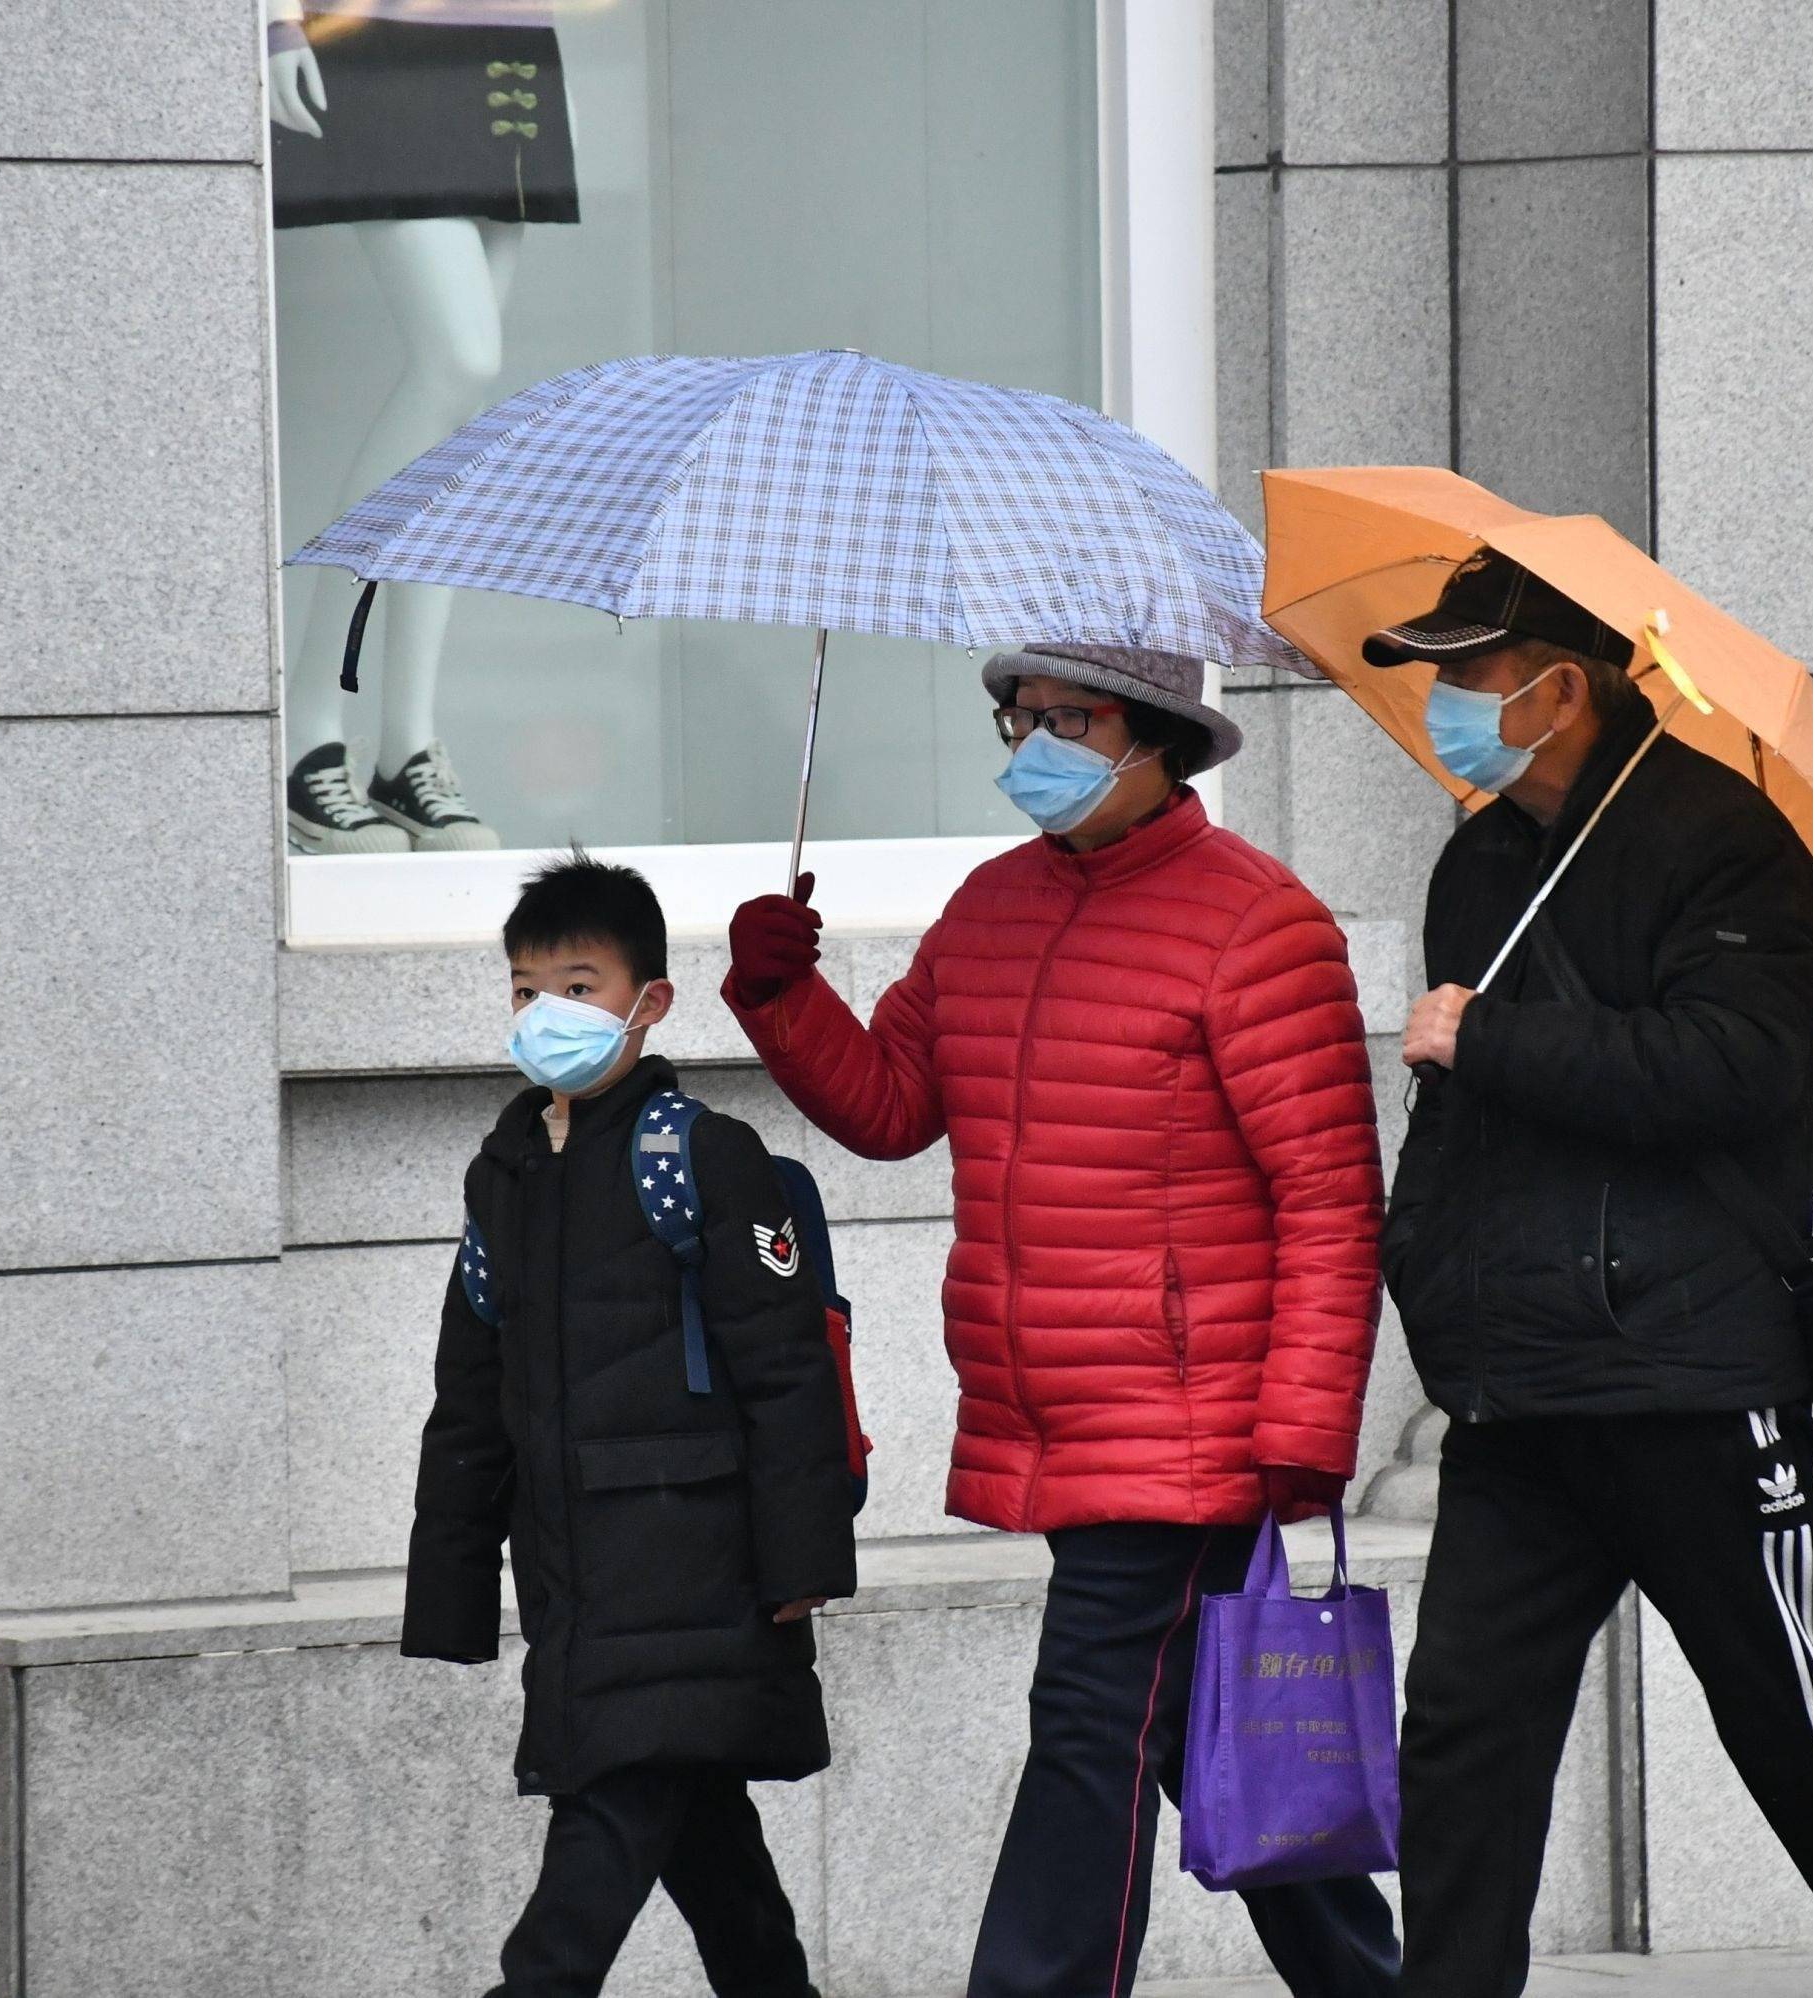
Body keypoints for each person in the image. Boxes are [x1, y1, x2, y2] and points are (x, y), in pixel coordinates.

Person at [1374, 558, 1813, 1998]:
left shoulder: (1727, 843)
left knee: (1803, 1739)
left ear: (1561, 685)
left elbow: (1735, 1072)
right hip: (1519, 1399)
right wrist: (1419, 1257)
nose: (1445, 704)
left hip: (1693, 1386)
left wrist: (1493, 1040)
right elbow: (1455, 1108)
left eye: (1470, 675)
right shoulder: (1477, 863)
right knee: (1460, 1746)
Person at [725, 643, 1401, 1998]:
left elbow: (1331, 1196)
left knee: (1093, 1723)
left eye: (1065, 720)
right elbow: (892, 1105)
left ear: (1156, 739)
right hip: (1071, 1413)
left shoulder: (1257, 922)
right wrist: (785, 995)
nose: (1029, 742)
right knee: (1213, 1731)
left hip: (1193, 1423)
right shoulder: (990, 907)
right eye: (1016, 718)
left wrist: (1304, 1429)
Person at [405, 854, 859, 1998]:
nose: (545, 1013)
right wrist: (452, 1591)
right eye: (523, 988)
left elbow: (788, 1375)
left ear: (649, 1001)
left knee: (597, 1854)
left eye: (578, 984)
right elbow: (469, 1399)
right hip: (574, 1580)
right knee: (713, 1858)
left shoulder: (705, 1157)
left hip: (693, 1574)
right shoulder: (500, 1170)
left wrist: (801, 1565)